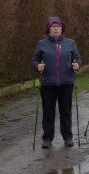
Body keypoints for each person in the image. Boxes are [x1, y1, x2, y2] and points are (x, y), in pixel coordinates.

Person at [32, 16, 82, 148]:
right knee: (48, 112)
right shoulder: (42, 43)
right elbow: (35, 60)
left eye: (58, 27)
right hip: (48, 83)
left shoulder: (70, 43)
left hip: (66, 83)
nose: (55, 29)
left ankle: (68, 137)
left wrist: (77, 65)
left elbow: (78, 59)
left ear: (61, 28)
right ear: (49, 29)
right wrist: (37, 66)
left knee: (66, 112)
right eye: (53, 27)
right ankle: (47, 139)